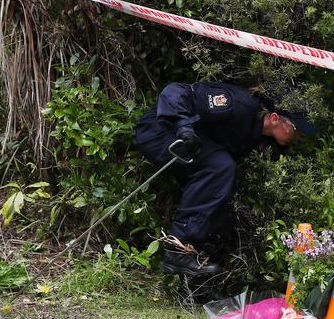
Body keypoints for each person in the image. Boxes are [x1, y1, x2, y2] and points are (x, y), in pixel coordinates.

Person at [134, 81, 316, 277]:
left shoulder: (256, 134)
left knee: (226, 196)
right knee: (220, 166)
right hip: (159, 132)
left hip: (189, 145)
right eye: (296, 128)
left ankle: (197, 271)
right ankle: (178, 249)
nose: (298, 135)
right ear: (274, 118)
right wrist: (184, 128)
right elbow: (174, 91)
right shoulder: (237, 105)